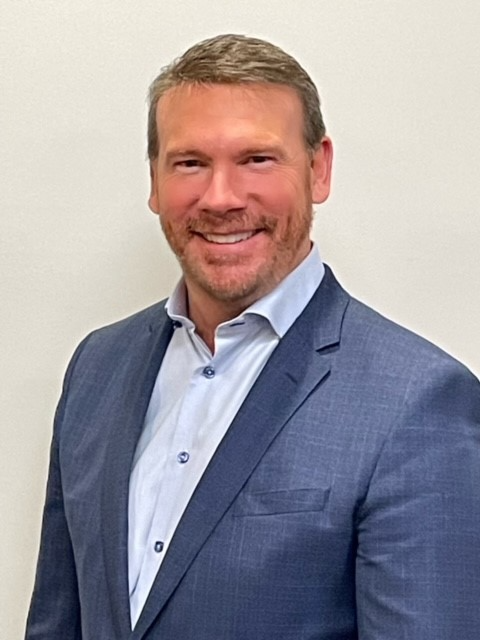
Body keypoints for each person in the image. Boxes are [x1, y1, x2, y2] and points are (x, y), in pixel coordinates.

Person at [26, 34, 480, 640]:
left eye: (257, 160)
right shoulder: (97, 367)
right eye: (190, 163)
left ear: (318, 169)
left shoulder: (418, 401)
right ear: (155, 180)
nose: (221, 198)